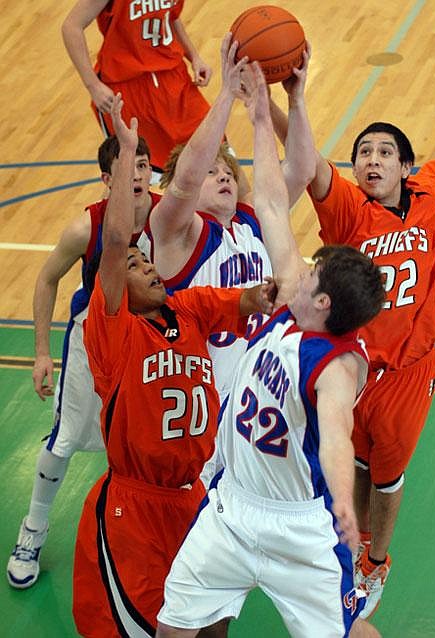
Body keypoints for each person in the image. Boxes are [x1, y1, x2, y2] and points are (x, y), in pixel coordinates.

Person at [155, 61, 385, 638]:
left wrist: (344, 509)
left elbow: (335, 436)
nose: (301, 266)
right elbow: (275, 205)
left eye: (314, 271)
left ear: (324, 303)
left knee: (350, 634)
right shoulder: (292, 300)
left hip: (300, 530)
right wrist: (260, 114)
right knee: (174, 629)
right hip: (232, 507)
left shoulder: (337, 365)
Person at [73, 94, 274, 638]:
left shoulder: (186, 309)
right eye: (133, 267)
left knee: (215, 618)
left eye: (147, 260)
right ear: (113, 287)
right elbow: (116, 242)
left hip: (194, 495)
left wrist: (282, 294)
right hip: (135, 508)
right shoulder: (113, 331)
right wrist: (129, 156)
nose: (145, 266)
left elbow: (250, 299)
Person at [269, 103, 435, 615]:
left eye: (385, 152)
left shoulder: (432, 194)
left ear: (407, 167)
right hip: (353, 366)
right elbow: (309, 158)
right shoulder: (348, 211)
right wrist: (284, 97)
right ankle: (353, 548)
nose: (372, 160)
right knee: (354, 461)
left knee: (387, 476)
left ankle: (377, 561)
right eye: (363, 153)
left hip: (409, 369)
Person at [6, 133, 159, 589]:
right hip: (91, 340)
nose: (137, 174)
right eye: (127, 166)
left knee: (142, 446)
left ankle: (141, 536)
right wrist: (40, 354)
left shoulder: (169, 217)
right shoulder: (86, 227)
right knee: (65, 438)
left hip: (147, 343)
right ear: (106, 179)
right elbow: (46, 278)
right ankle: (32, 531)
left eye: (144, 164)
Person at [149, 33, 315, 404]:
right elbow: (187, 178)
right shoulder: (177, 231)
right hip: (199, 405)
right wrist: (225, 95)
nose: (224, 175)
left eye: (227, 170)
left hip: (254, 397)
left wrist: (294, 100)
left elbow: (303, 168)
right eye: (212, 171)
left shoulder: (251, 218)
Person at [62, 0, 212, 175]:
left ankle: (246, 202)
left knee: (217, 154)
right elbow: (71, 27)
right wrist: (93, 85)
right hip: (128, 88)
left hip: (174, 79)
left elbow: (169, 16)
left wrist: (194, 56)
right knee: (136, 176)